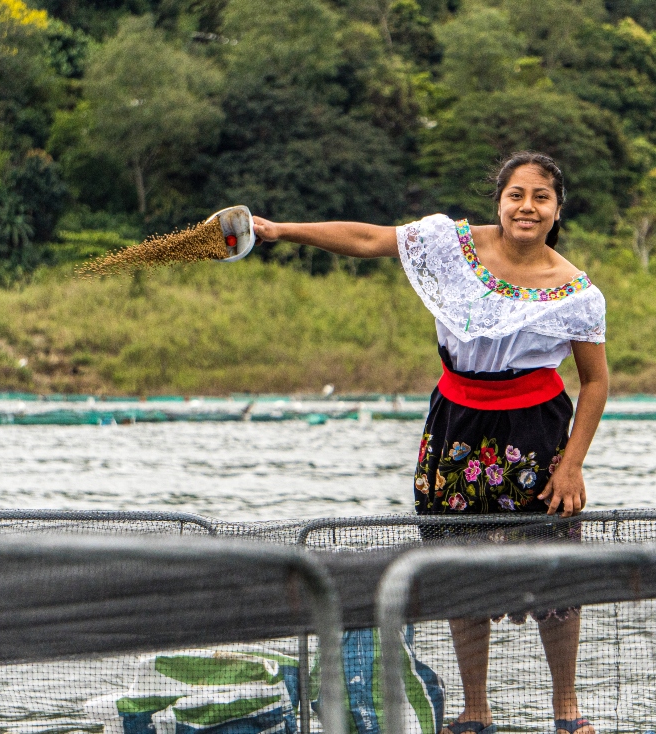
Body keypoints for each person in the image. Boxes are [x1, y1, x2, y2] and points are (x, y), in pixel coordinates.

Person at [251, 151, 608, 734]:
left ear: (557, 209)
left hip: (535, 432)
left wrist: (571, 465)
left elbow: (595, 382)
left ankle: (566, 708)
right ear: (499, 200)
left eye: (541, 197)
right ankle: (475, 708)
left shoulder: (576, 292)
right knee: (457, 566)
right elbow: (367, 239)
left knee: (555, 572)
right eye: (516, 194)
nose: (527, 207)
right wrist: (281, 230)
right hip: (455, 427)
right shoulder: (450, 245)